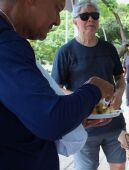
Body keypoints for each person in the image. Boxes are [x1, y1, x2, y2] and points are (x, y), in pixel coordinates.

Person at [0, 0, 115, 169]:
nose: (58, 21)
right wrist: (94, 88)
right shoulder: (7, 44)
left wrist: (74, 115)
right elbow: (50, 119)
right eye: (57, 8)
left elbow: (22, 118)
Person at [51, 1, 126, 170]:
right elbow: (56, 87)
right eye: (85, 16)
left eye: (95, 16)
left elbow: (120, 78)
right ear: (75, 21)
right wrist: (82, 98)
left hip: (113, 122)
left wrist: (119, 93)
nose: (90, 20)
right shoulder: (65, 51)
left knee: (120, 167)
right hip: (83, 125)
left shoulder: (109, 49)